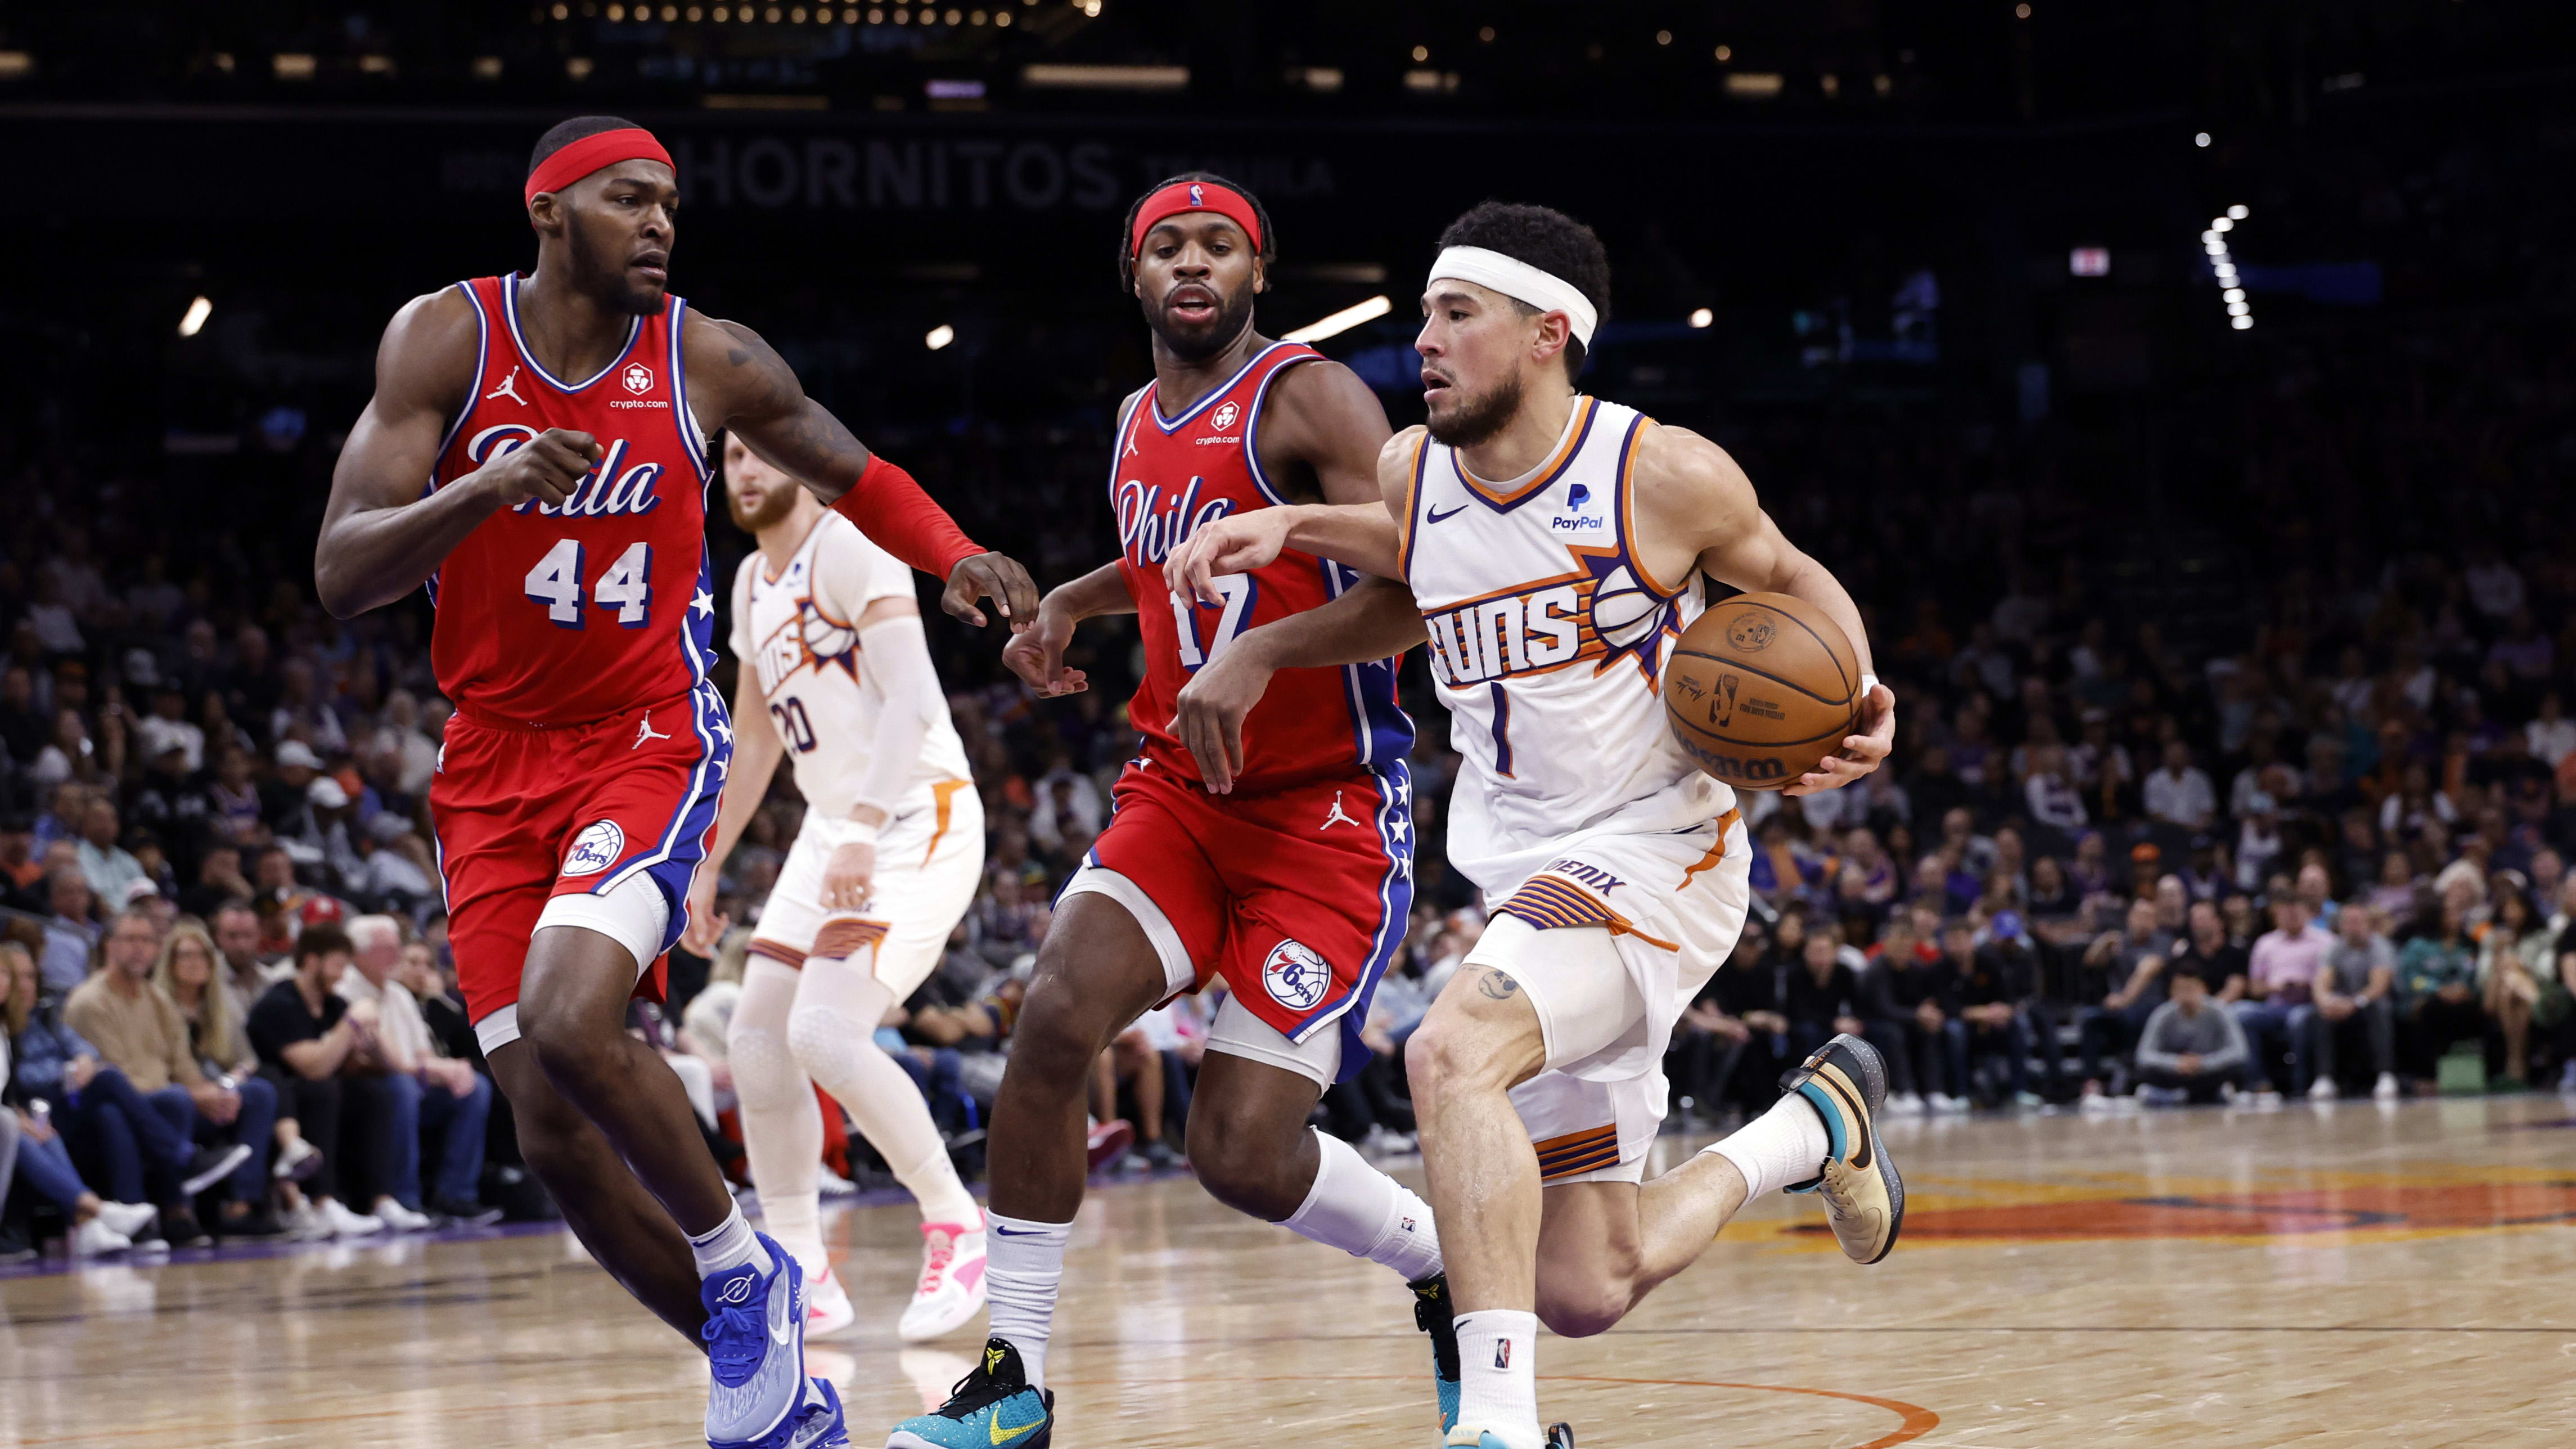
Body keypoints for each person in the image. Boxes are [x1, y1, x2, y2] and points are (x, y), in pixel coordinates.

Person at [311, 115, 1032, 1449]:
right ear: (548, 213)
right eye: (629, 200)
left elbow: (848, 465)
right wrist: (486, 488)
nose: (659, 224)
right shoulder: (446, 339)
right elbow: (343, 569)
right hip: (487, 763)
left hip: (646, 734)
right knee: (544, 1123)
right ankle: (764, 1373)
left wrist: (955, 553)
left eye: (671, 206)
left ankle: (741, 1263)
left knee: (573, 1017)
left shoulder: (706, 355)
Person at [1161, 200, 1901, 1449]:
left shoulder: (1660, 471)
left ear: (1547, 332)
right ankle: (1813, 1124)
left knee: (1449, 1052)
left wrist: (1864, 687)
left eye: (1458, 316)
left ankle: (1497, 1428)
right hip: (1524, 870)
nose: (1426, 340)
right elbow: (1416, 586)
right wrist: (1277, 612)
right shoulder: (1412, 468)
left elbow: (1785, 579)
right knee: (1581, 1283)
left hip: (1656, 850)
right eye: (1425, 315)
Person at [889, 173, 1447, 1449]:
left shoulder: (1306, 395)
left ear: (1258, 270)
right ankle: (1013, 1375)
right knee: (1050, 1020)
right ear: (1133, 274)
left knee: (1239, 1155)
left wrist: (1260, 655)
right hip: (1183, 796)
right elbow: (1161, 559)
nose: (1192, 265)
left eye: (1218, 246)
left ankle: (1438, 1264)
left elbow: (1424, 580)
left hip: (1325, 816)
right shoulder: (1138, 416)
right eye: (1167, 247)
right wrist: (1070, 605)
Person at [680, 432, 990, 1343]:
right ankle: (801, 1267)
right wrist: (708, 860)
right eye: (729, 455)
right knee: (756, 1038)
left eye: (760, 451)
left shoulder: (853, 547)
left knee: (823, 1029)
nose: (744, 469)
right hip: (833, 829)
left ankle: (954, 1220)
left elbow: (915, 701)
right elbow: (757, 736)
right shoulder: (748, 583)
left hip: (911, 815)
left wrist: (860, 826)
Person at [62, 908, 277, 1239]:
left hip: (166, 1099)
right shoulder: (90, 1002)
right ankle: (175, 1211)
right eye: (130, 939)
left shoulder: (159, 1000)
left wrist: (212, 1096)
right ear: (109, 946)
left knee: (258, 1093)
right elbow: (116, 1080)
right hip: (118, 1106)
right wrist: (194, 1095)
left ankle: (241, 1205)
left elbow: (183, 1067)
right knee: (164, 1102)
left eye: (147, 940)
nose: (139, 948)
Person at [340, 916, 496, 1226]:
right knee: (402, 1088)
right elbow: (378, 1061)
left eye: (398, 946)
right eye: (387, 948)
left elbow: (422, 1052)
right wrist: (431, 1070)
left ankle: (455, 1195)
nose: (396, 955)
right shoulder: (347, 992)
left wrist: (447, 1069)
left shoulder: (398, 994)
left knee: (474, 1086)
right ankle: (404, 1198)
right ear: (359, 953)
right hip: (364, 1087)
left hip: (407, 1079)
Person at [246, 925, 389, 1238]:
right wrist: (351, 1022)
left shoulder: (332, 1004)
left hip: (316, 1092)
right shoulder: (279, 1003)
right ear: (312, 961)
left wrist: (371, 1038)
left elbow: (379, 1066)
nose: (343, 976)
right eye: (338, 965)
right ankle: (324, 1201)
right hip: (279, 1097)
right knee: (324, 1090)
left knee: (374, 1093)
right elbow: (314, 1068)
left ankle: (380, 1200)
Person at [2236, 897, 2334, 1099]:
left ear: (2307, 914)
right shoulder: (2265, 943)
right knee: (2240, 1014)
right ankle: (2257, 1083)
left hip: (2310, 1005)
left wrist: (2305, 985)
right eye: (2286, 913)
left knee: (2297, 1020)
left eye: (2296, 912)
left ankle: (2300, 1084)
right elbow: (2254, 988)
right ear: (2277, 916)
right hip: (2274, 1006)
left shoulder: (2325, 941)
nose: (2292, 917)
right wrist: (2274, 987)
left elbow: (2333, 980)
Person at [2318, 902, 2403, 1101]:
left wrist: (2355, 1003)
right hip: (2346, 1005)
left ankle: (2385, 1074)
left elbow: (2379, 986)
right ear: (2340, 926)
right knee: (2320, 1013)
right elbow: (2322, 982)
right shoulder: (2333, 950)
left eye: (2357, 922)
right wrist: (2326, 1001)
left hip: (2372, 1003)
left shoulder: (2380, 947)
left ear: (2368, 924)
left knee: (2379, 1008)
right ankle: (2325, 1078)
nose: (2353, 927)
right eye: (2348, 922)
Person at [2131, 967, 2248, 1106]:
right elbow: (2144, 1055)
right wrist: (2177, 1063)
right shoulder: (2162, 1014)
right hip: (2175, 1073)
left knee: (2236, 1069)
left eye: (2191, 988)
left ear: (2204, 989)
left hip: (2208, 1071)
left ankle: (2176, 1096)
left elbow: (2240, 1052)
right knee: (2145, 1073)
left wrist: (2203, 1063)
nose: (2186, 994)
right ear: (2171, 991)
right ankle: (2197, 1095)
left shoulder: (2220, 1012)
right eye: (2180, 989)